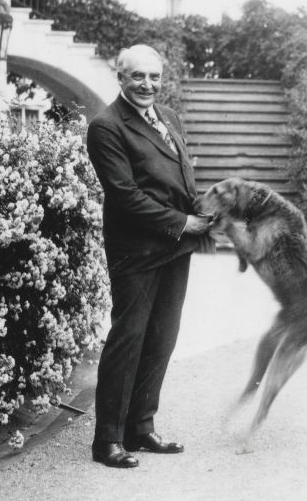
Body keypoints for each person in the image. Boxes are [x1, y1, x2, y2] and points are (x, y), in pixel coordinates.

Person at [86, 44, 214, 468]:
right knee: (129, 339)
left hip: (175, 247)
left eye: (154, 77)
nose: (147, 85)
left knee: (162, 339)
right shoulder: (106, 127)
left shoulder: (169, 118)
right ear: (120, 78)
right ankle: (107, 441)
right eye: (137, 76)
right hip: (136, 250)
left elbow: (180, 177)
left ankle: (140, 428)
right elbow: (125, 197)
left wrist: (200, 212)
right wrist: (182, 222)